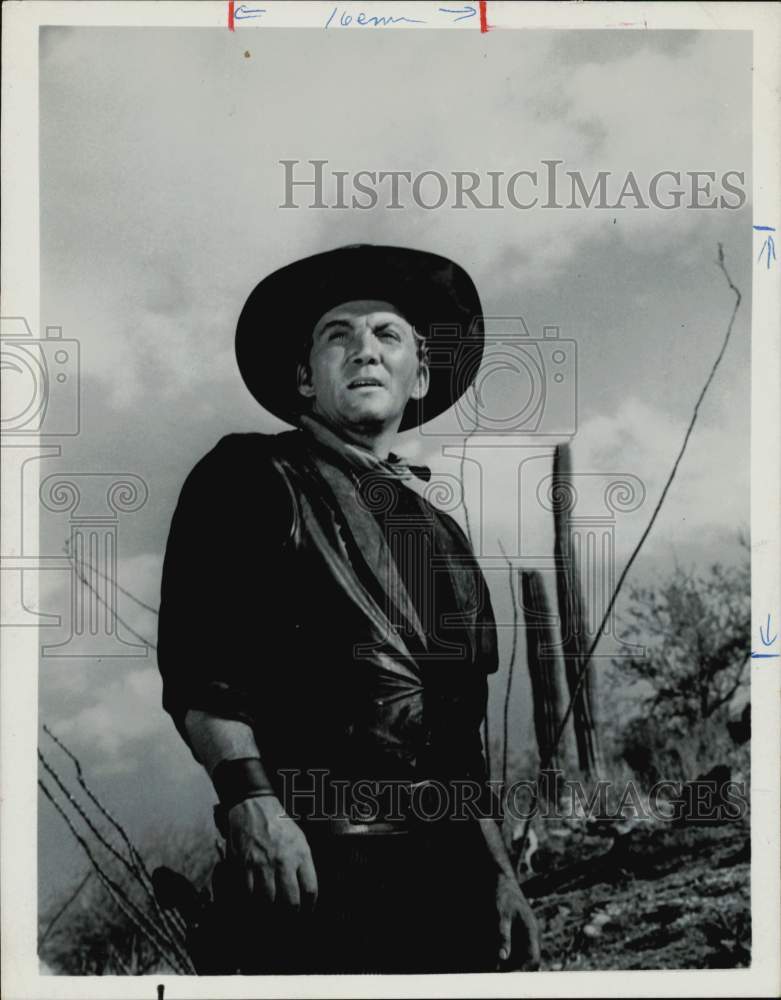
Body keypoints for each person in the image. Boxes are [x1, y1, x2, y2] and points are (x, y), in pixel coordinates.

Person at [156, 244, 540, 974]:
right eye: (338, 335)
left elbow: (461, 734)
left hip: (448, 882)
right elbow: (204, 672)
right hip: (310, 871)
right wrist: (253, 809)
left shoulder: (438, 533)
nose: (363, 350)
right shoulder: (251, 475)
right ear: (305, 376)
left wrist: (498, 873)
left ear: (418, 374)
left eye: (386, 335)